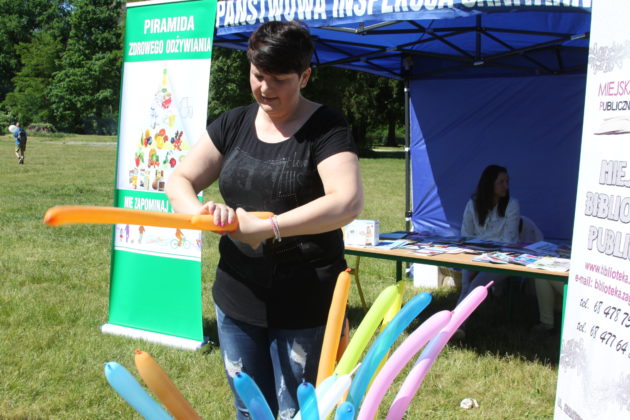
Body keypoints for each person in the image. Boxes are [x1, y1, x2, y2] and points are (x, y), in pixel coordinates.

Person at [165, 21, 364, 420]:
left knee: (299, 412)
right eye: (258, 75)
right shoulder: (233, 123)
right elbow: (179, 179)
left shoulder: (326, 127)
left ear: (304, 76)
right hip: (238, 296)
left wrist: (270, 228)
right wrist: (201, 214)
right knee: (250, 409)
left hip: (306, 300)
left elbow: (347, 201)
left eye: (279, 79)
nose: (265, 88)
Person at [454, 164, 520, 339]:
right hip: (475, 256)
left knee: (475, 284)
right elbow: (466, 236)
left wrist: (483, 262)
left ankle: (456, 325)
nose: (506, 186)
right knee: (467, 284)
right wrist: (475, 260)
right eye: (501, 182)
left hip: (502, 260)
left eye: (507, 182)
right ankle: (456, 325)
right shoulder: (473, 204)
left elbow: (509, 242)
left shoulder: (512, 205)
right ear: (489, 184)